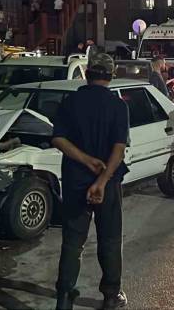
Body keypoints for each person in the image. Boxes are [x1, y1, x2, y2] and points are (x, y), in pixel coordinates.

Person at [52, 53, 129, 310]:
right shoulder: (118, 105)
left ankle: (64, 297)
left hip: (75, 181)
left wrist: (85, 161)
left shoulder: (70, 101)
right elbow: (119, 149)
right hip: (107, 184)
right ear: (111, 75)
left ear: (87, 73)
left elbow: (58, 139)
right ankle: (110, 296)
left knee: (73, 241)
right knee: (109, 239)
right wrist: (102, 181)